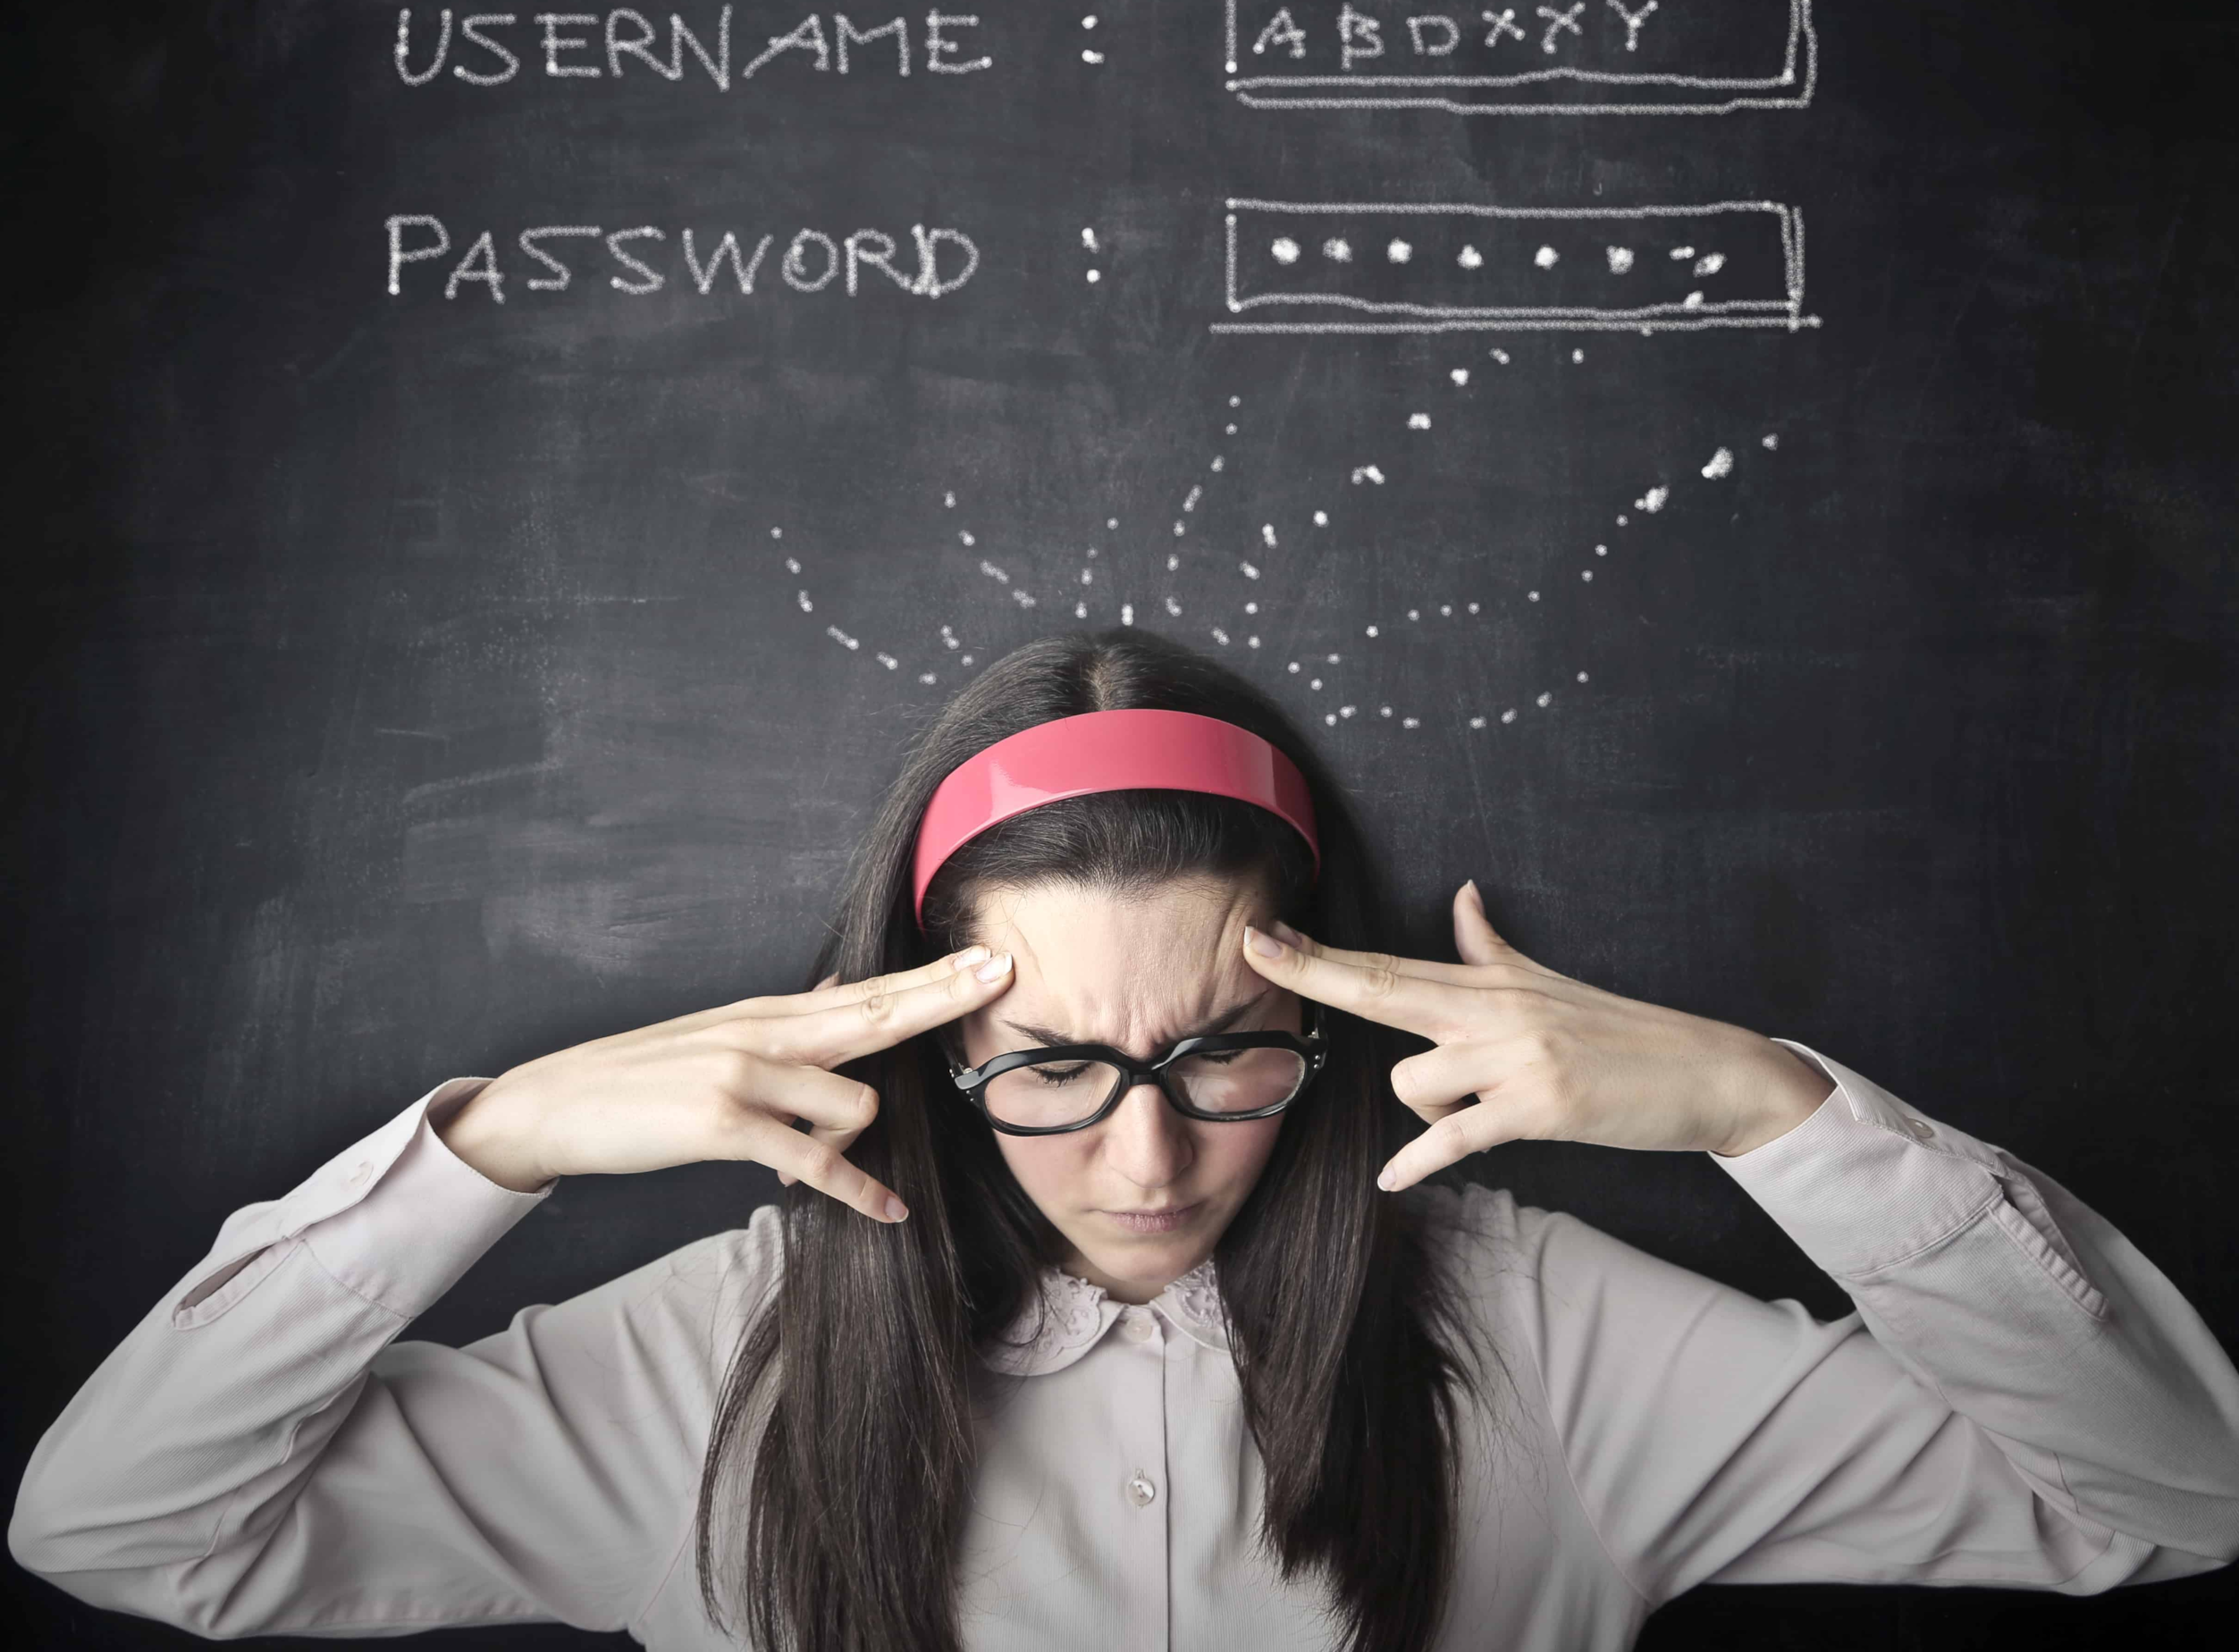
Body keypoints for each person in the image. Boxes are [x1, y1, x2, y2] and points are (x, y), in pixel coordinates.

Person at [10, 627, 2239, 1652]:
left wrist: (1773, 1111)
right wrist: (485, 1146)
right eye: (1051, 1064)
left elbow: (2172, 1496)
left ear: (1337, 1024)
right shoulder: (703, 1371)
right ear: (915, 1040)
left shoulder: (1548, 1339)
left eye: (1229, 1053)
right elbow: (118, 1528)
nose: (1150, 1161)